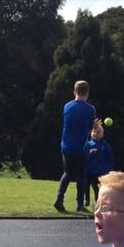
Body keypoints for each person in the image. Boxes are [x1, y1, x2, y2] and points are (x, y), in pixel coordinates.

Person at [54, 80, 96, 213]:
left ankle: (59, 198)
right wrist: (95, 126)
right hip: (81, 148)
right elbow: (90, 128)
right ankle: (80, 204)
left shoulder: (67, 106)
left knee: (67, 173)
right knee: (81, 176)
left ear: (74, 92)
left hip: (66, 146)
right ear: (87, 93)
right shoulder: (90, 109)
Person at [83, 118, 114, 207]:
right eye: (94, 132)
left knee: (94, 185)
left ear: (102, 134)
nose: (96, 134)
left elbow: (109, 157)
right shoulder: (88, 144)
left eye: (98, 132)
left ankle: (98, 200)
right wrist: (90, 152)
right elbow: (84, 155)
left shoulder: (105, 145)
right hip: (88, 169)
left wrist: (109, 169)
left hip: (98, 170)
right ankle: (86, 200)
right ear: (91, 133)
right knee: (86, 185)